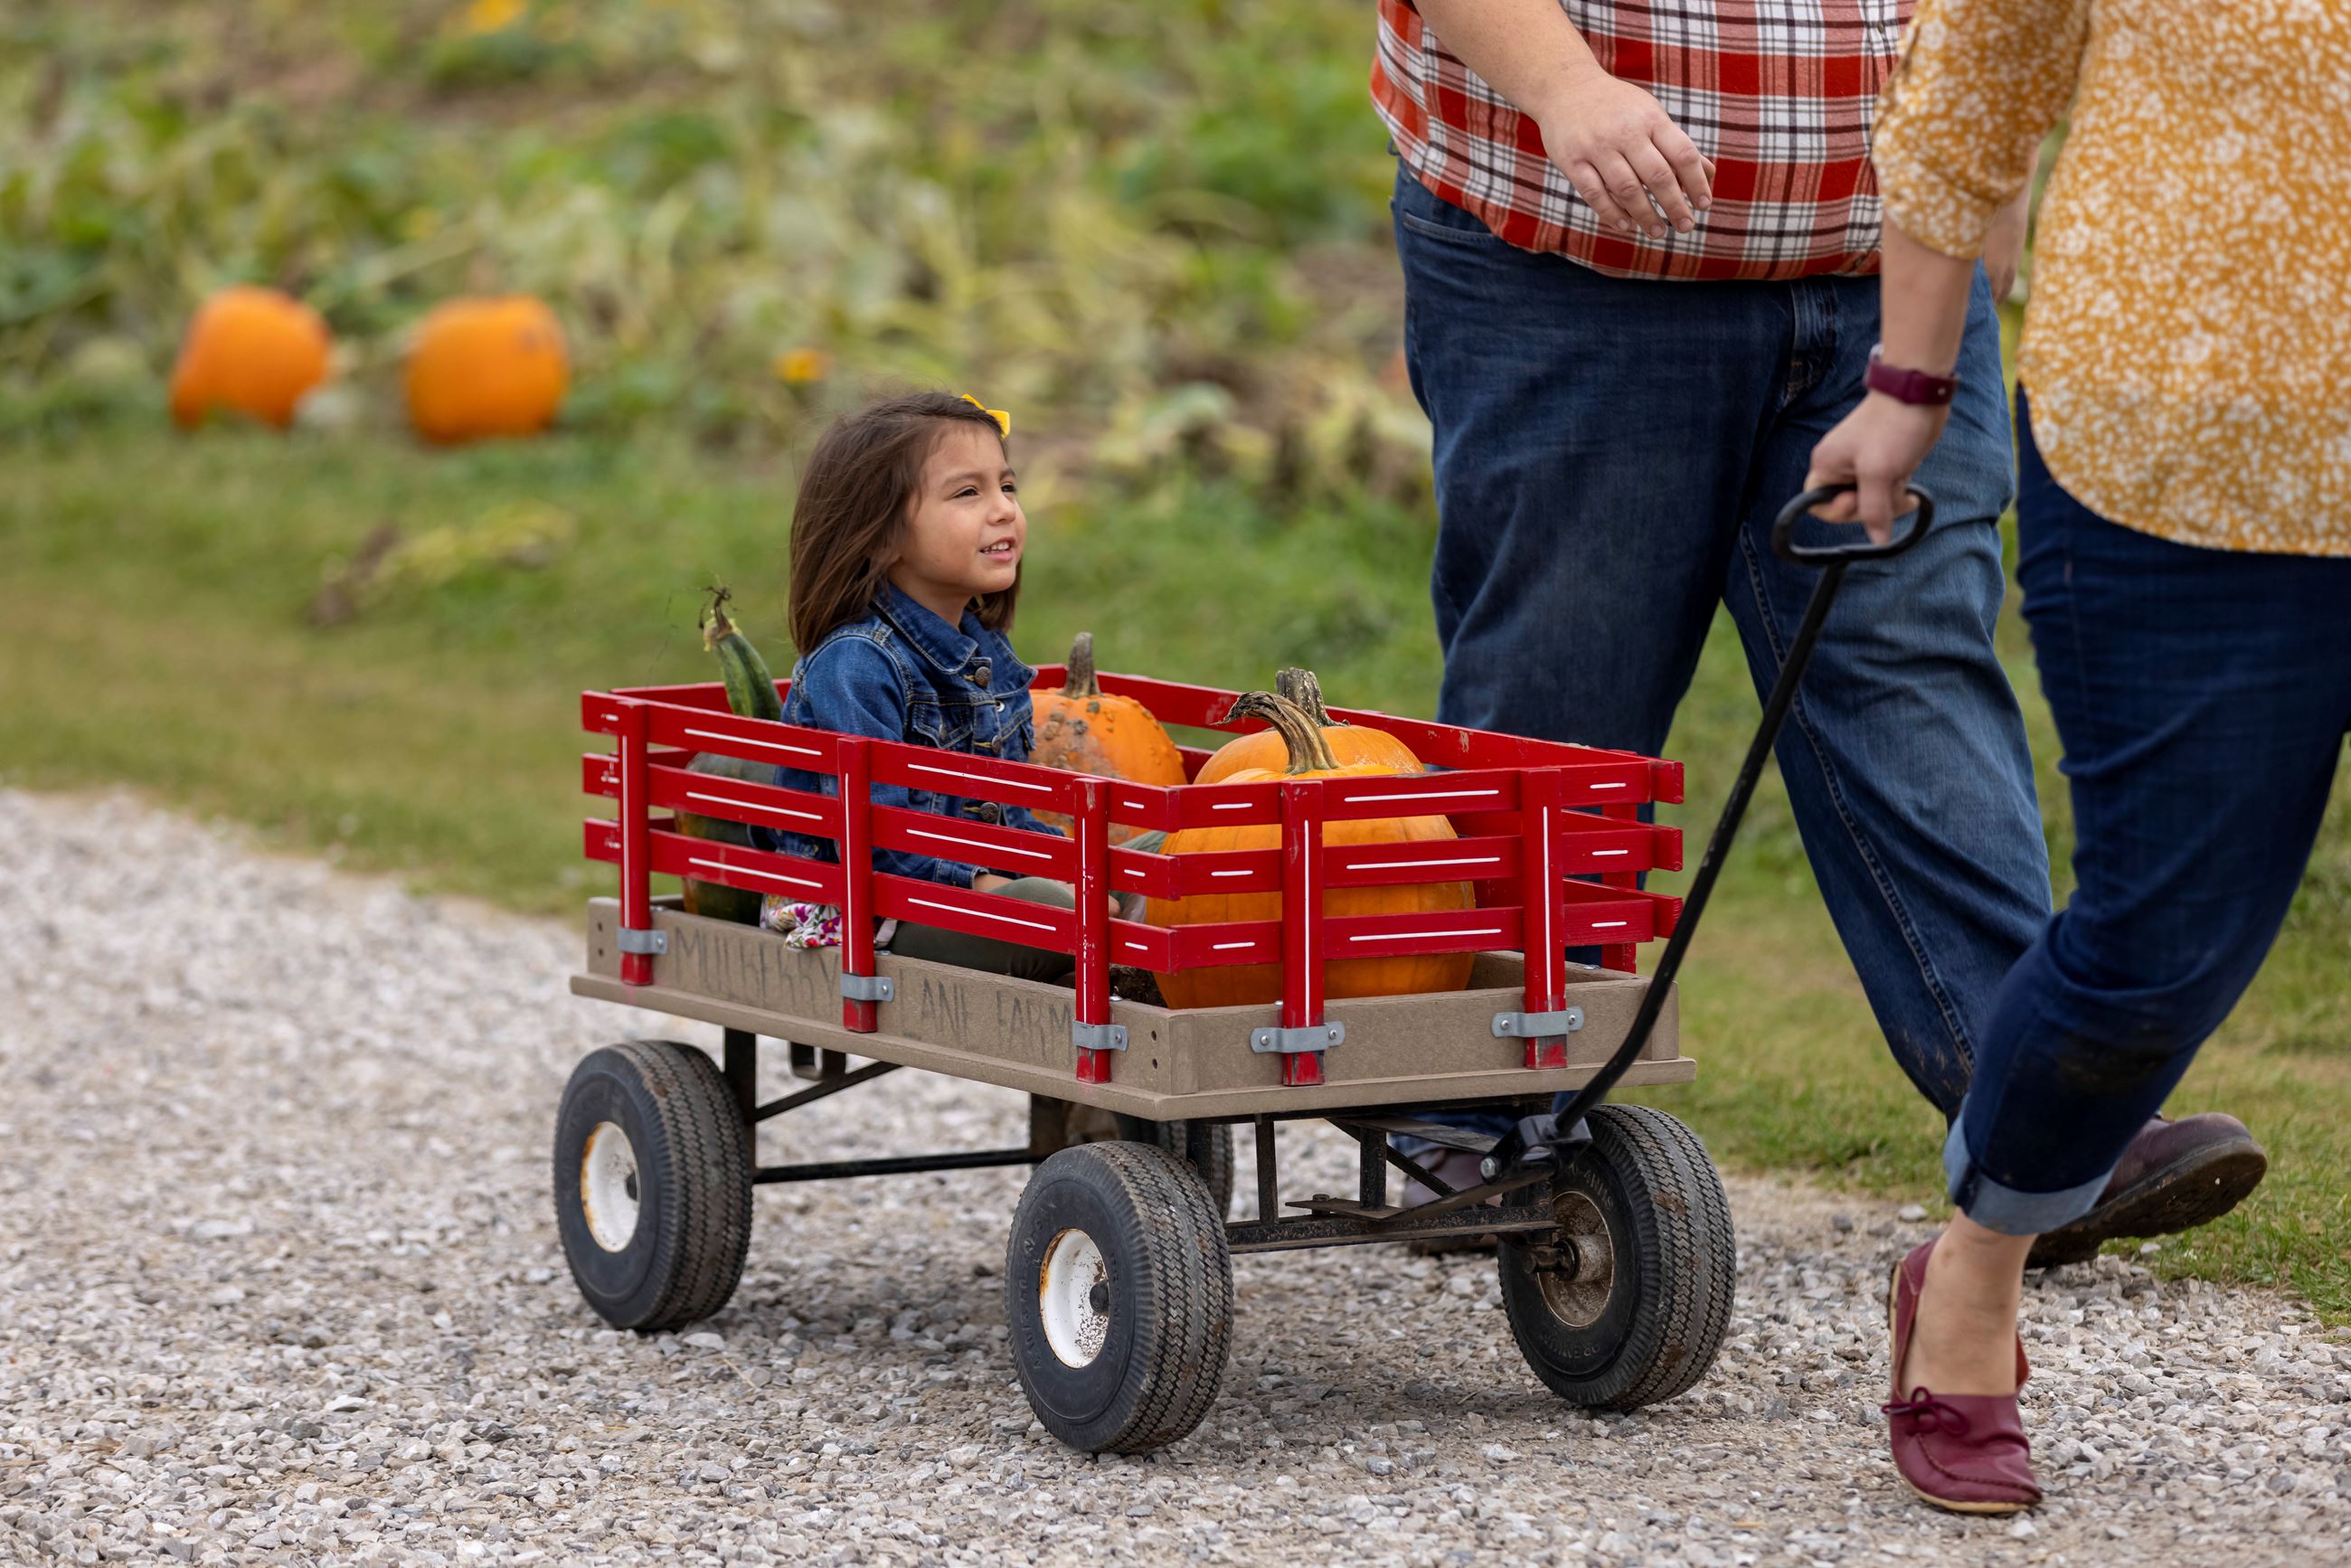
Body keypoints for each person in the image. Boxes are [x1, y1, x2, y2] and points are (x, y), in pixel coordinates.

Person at [1369, 0, 2265, 1265]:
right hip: (1573, 262)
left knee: (1920, 681)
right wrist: (1566, 87)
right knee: (1566, 695)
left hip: (1887, 283)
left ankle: (2048, 1133)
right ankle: (1480, 1116)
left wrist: (1989, 168)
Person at [1803, 0, 2350, 1514]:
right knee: (2153, 951)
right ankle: (1978, 1261)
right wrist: (1909, 386)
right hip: (2174, 467)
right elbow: (1971, 89)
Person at [759, 391, 1141, 981]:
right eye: (969, 493)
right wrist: (1004, 884)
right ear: (880, 534)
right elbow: (882, 846)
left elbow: (1008, 815)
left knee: (1157, 862)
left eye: (1007, 487)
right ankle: (1111, 963)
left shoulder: (987, 655)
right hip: (871, 910)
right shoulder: (856, 666)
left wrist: (1066, 864)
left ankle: (1127, 959)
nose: (1004, 510)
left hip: (961, 889)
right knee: (1057, 914)